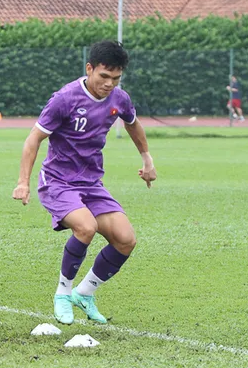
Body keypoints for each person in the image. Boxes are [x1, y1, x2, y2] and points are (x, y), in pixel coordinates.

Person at [12, 40, 157, 325]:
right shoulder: (65, 99)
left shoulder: (119, 99)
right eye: (103, 76)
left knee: (126, 240)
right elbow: (34, 138)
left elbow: (132, 123)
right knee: (86, 227)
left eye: (115, 79)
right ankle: (63, 294)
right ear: (89, 69)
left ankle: (85, 293)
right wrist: (22, 182)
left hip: (91, 184)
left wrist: (147, 159)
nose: (109, 84)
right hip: (58, 181)